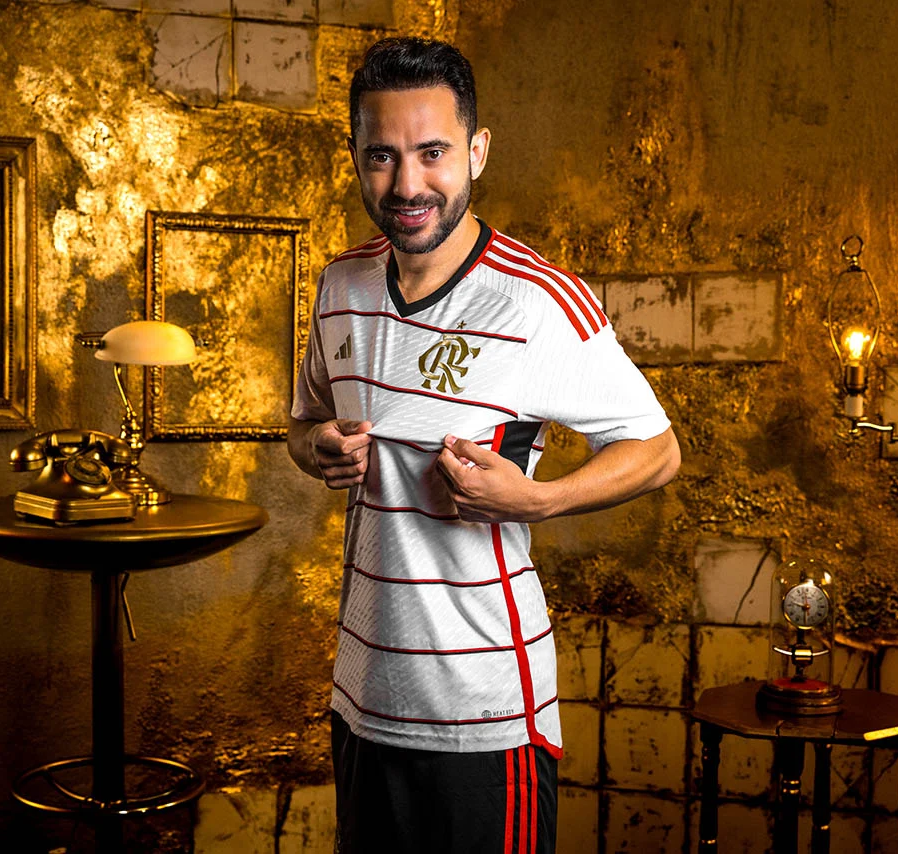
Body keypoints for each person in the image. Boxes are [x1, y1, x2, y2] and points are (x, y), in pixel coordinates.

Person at [287, 36, 680, 854]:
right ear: (356, 157)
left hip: (485, 711)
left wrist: (538, 499)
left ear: (477, 150)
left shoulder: (538, 301)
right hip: (362, 695)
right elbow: (305, 423)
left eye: (432, 153)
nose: (408, 185)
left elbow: (657, 449)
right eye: (383, 156)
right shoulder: (340, 284)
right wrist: (316, 446)